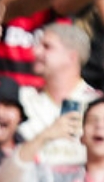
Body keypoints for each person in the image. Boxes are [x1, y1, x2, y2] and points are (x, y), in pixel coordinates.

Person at [17, 22, 101, 167]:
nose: (35, 52)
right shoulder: (23, 97)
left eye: (47, 46)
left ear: (72, 57)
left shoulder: (96, 103)